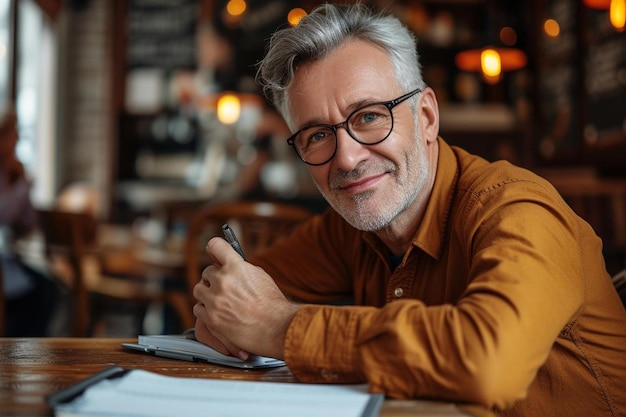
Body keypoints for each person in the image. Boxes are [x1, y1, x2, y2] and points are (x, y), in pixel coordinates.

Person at [191, 4, 626, 416]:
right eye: (317, 135)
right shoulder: (350, 230)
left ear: (427, 117)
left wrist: (278, 326)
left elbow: (487, 362)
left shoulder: (516, 209)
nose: (346, 158)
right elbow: (242, 292)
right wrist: (223, 309)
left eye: (368, 117)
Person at [0, 107, 60, 336]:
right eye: (11, 134)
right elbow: (3, 213)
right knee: (42, 292)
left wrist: (22, 184)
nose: (15, 140)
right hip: (3, 262)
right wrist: (23, 188)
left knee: (49, 288)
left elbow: (27, 224)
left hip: (8, 256)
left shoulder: (12, 170)